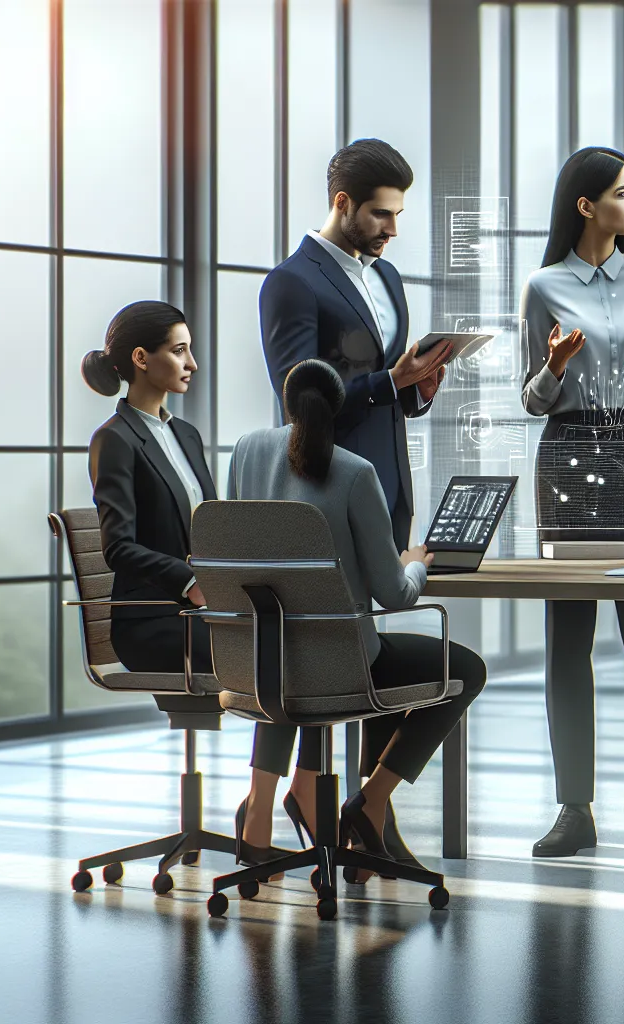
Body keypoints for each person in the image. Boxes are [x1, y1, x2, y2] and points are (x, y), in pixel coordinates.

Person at [229, 359, 488, 876]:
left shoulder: (246, 451)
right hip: (341, 667)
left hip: (258, 657)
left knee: (281, 646)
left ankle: (259, 816)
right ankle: (371, 800)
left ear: (287, 400)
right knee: (464, 670)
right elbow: (393, 594)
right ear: (338, 408)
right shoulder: (354, 471)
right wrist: (414, 565)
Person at [519, 147, 624, 858]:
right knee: (569, 639)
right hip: (567, 453)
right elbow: (531, 401)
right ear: (587, 207)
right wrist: (554, 368)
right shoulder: (543, 285)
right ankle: (573, 809)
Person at [259, 138, 451, 554]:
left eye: (397, 214)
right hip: (327, 491)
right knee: (339, 619)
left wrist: (417, 388)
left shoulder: (389, 278)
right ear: (343, 202)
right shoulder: (292, 282)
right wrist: (389, 381)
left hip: (392, 491)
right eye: (381, 214)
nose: (393, 229)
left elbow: (387, 384)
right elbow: (300, 403)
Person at [85, 301, 216, 677]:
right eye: (179, 351)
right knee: (274, 652)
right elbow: (118, 548)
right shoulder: (114, 440)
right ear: (141, 358)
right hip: (152, 623)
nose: (192, 364)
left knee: (296, 641)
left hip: (204, 613)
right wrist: (189, 581)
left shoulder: (187, 436)